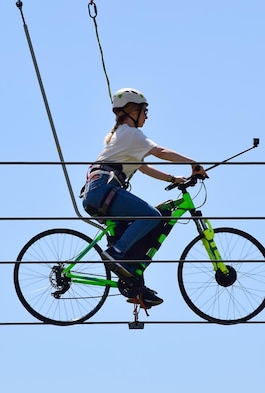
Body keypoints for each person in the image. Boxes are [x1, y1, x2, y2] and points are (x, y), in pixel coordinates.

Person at [81, 87, 208, 308]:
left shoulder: (124, 136)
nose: (147, 116)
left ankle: (133, 284)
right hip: (103, 189)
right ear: (132, 110)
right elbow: (161, 152)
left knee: (138, 234)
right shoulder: (131, 134)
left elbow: (143, 167)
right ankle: (115, 253)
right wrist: (193, 162)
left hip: (99, 191)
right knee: (153, 216)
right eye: (145, 111)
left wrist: (172, 179)